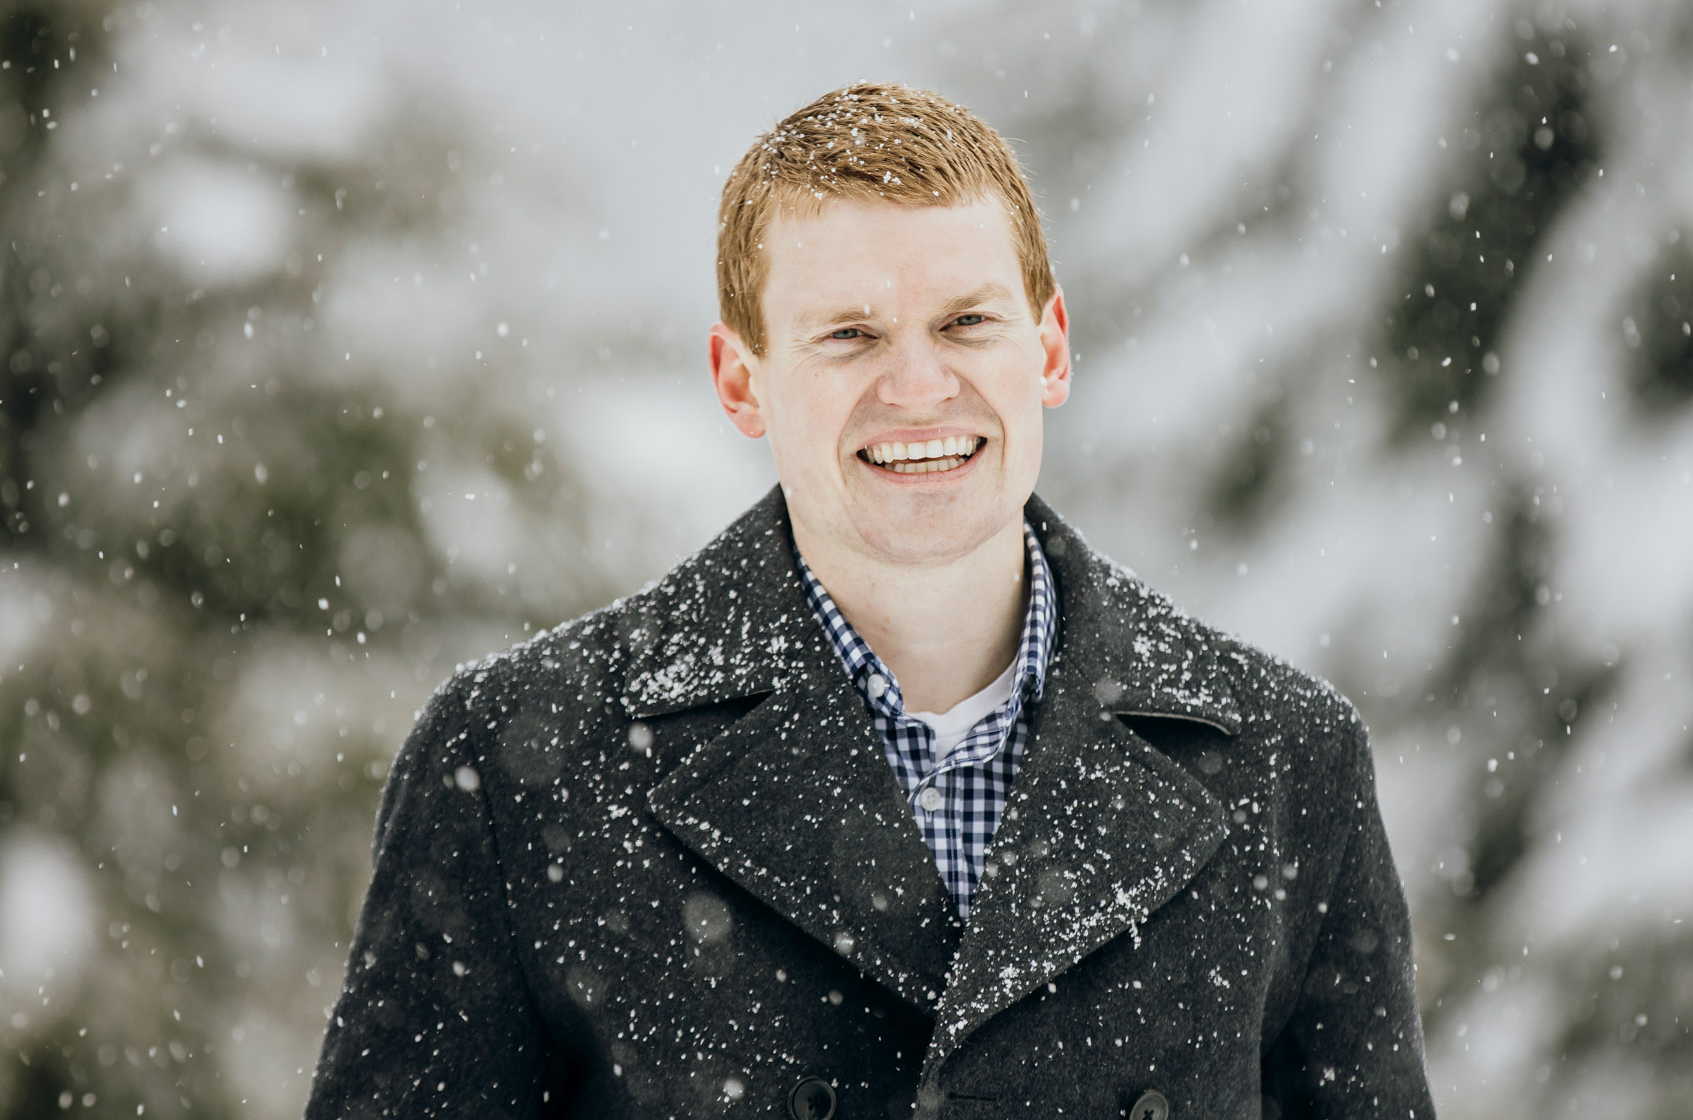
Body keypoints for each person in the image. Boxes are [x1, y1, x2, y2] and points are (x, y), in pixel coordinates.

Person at [305, 82, 1435, 1119]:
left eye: (965, 322)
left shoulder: (1285, 759)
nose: (917, 385)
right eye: (848, 334)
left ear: (1049, 346)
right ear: (741, 379)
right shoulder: (520, 761)